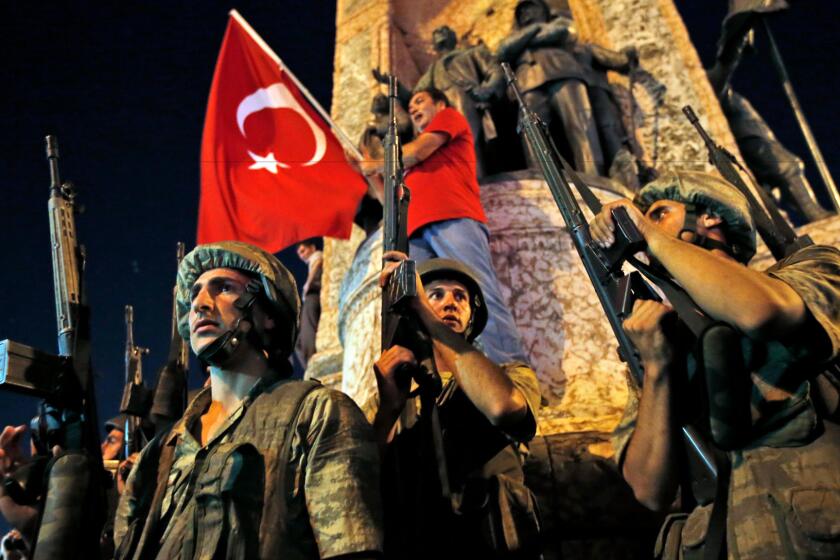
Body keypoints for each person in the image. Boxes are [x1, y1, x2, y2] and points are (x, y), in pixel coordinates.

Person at [589, 171, 840, 558]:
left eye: (658, 213)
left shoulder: (808, 269)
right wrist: (656, 368)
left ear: (709, 217)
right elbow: (649, 489)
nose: (641, 228)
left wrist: (652, 236)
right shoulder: (662, 337)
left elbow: (760, 311)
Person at [114, 241, 383, 559]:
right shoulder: (159, 453)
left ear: (267, 314)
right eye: (195, 293)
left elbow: (350, 548)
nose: (200, 304)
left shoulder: (317, 413)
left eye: (223, 288)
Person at [374, 255, 542, 558]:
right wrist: (388, 410)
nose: (450, 303)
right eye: (435, 294)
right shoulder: (395, 393)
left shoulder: (509, 376)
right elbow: (364, 483)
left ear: (472, 316)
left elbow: (503, 406)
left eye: (460, 297)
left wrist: (425, 310)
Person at [359, 87, 530, 366]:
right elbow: (387, 200)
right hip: (413, 233)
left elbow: (419, 151)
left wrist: (377, 162)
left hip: (453, 216)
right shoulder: (404, 160)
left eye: (419, 101)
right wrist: (366, 170)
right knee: (425, 309)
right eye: (411, 104)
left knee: (480, 291)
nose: (413, 108)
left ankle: (515, 374)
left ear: (438, 103)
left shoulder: (448, 118)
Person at [497, 0, 604, 176]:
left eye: (532, 8)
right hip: (528, 83)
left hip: (563, 72)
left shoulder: (560, 22)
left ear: (545, 11)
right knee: (532, 135)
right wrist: (535, 28)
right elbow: (504, 51)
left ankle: (593, 175)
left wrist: (524, 39)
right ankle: (544, 180)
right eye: (522, 12)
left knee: (580, 125)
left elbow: (559, 32)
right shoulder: (523, 33)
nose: (526, 14)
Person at [294, 238, 323, 370]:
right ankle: (309, 365)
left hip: (313, 295)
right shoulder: (312, 260)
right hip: (311, 297)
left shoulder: (316, 255)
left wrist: (307, 284)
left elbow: (318, 260)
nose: (301, 255)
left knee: (307, 330)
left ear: (312, 247)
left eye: (303, 250)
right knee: (297, 341)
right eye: (299, 254)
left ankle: (312, 359)